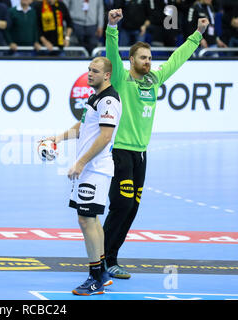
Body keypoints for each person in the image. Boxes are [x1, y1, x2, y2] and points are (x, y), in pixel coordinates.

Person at [103, 8, 209, 279]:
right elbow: (111, 56)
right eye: (143, 58)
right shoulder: (121, 79)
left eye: (150, 58)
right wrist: (112, 29)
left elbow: (176, 60)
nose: (148, 62)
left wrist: (196, 35)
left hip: (141, 155)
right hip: (122, 152)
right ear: (132, 60)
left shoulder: (154, 80)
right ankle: (103, 258)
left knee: (133, 208)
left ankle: (110, 256)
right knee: (121, 205)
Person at [42, 57, 122, 295]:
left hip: (95, 169)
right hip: (89, 169)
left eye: (95, 71)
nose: (89, 74)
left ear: (107, 75)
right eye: (88, 69)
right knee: (90, 220)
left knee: (87, 221)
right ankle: (102, 272)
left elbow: (105, 137)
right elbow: (83, 126)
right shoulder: (93, 98)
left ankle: (95, 277)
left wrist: (80, 162)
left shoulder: (109, 100)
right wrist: (58, 138)